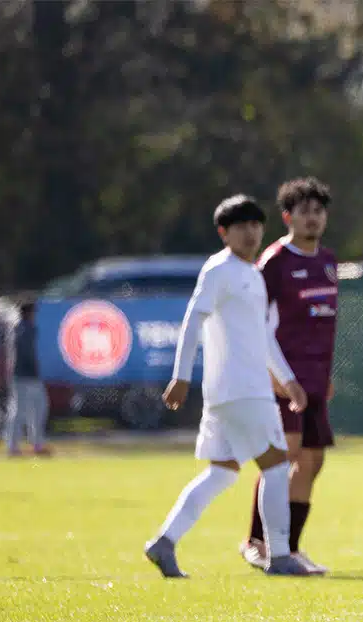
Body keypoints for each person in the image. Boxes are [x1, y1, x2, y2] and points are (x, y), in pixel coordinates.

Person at [143, 194, 309, 578]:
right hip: (242, 391)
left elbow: (264, 337)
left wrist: (288, 381)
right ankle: (280, 556)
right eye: (240, 226)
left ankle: (164, 542)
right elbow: (192, 319)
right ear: (223, 232)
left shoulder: (252, 274)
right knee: (277, 465)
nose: (250, 233)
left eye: (255, 225)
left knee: (223, 472)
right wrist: (180, 376)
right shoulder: (219, 269)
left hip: (236, 393)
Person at [240, 177, 338, 575]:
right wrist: (277, 373)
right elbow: (259, 325)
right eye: (304, 212)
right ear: (287, 217)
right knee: (283, 459)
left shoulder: (329, 261)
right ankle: (257, 542)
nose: (312, 218)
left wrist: (324, 376)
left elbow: (325, 324)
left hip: (315, 379)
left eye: (318, 211)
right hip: (283, 379)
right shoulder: (275, 261)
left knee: (312, 462)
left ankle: (290, 548)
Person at [5, 300, 51, 457]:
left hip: (22, 375)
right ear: (28, 313)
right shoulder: (25, 329)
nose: (35, 315)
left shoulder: (18, 328)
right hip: (26, 375)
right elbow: (27, 353)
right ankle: (18, 446)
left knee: (32, 410)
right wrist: (35, 368)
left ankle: (32, 444)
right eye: (33, 312)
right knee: (24, 411)